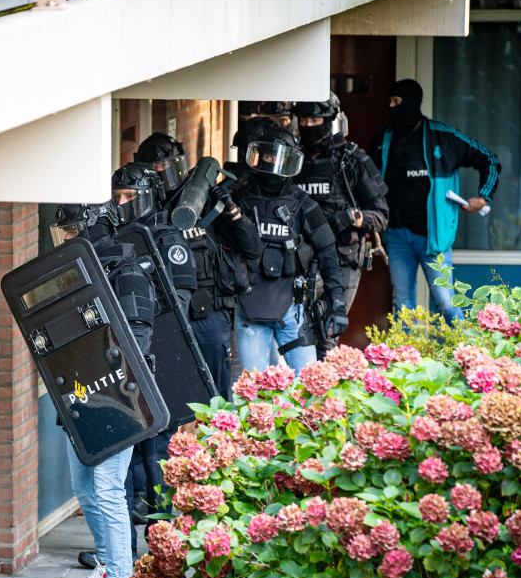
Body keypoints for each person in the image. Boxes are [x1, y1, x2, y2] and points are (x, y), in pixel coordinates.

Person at [50, 201, 154, 578]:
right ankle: (107, 566)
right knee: (84, 486)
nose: (66, 240)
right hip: (80, 393)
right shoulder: (74, 273)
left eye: (72, 230)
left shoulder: (126, 273)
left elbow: (138, 344)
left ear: (92, 228)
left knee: (109, 487)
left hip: (118, 397)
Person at [134, 133, 261, 398]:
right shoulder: (146, 207)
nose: (161, 174)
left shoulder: (201, 201)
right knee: (167, 394)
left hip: (209, 310)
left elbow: (252, 248)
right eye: (154, 170)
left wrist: (229, 209)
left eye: (165, 167)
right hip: (167, 311)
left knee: (216, 394)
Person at [368, 79, 501, 323]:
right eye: (390, 102)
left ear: (411, 103)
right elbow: (367, 181)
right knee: (403, 306)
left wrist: (483, 197)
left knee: (447, 303)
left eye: (397, 102)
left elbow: (489, 160)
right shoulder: (382, 139)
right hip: (397, 235)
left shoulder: (443, 137)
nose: (391, 107)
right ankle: (407, 359)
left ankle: (468, 355)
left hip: (434, 237)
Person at [111, 162, 196, 541]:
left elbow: (179, 304)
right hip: (123, 353)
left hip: (160, 352)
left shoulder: (167, 238)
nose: (122, 202)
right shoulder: (114, 237)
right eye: (118, 196)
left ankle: (160, 530)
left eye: (130, 196)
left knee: (157, 447)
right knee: (127, 446)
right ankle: (123, 540)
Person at [230, 122, 346, 375]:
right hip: (250, 310)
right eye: (268, 156)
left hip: (293, 310)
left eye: (280, 158)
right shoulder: (237, 201)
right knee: (255, 395)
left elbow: (328, 254)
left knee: (309, 386)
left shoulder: (303, 204)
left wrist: (337, 300)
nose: (273, 164)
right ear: (256, 156)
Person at [292, 94, 390, 358]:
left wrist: (350, 217)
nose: (309, 125)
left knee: (327, 332)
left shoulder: (352, 160)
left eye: (316, 119)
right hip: (298, 259)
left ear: (331, 121)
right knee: (295, 332)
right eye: (303, 120)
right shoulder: (292, 159)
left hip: (342, 258)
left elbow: (381, 215)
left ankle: (322, 393)